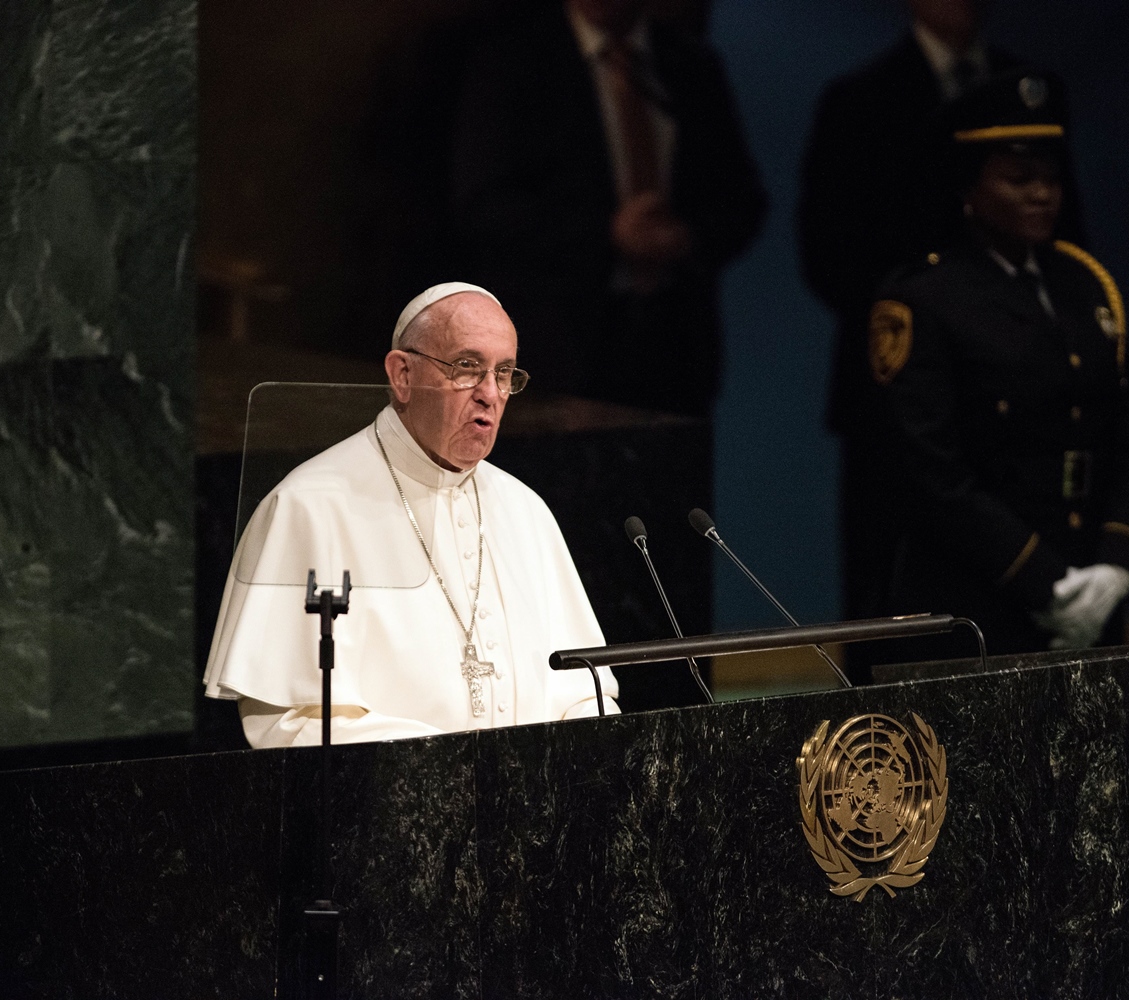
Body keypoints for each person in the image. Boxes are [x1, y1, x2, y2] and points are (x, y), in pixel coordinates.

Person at [204, 283, 619, 745]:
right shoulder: (308, 506)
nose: (489, 394)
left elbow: (588, 693)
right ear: (401, 375)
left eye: (503, 373)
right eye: (467, 367)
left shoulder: (525, 510)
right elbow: (288, 721)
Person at [797, 0, 1085, 630]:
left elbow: (1066, 248)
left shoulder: (1032, 86)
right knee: (895, 606)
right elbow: (830, 253)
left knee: (1035, 603)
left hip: (1025, 397)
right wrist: (944, 328)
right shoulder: (860, 99)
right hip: (896, 390)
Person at [866, 70, 1129, 656]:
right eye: (1019, 178)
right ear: (970, 190)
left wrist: (1115, 568)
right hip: (978, 603)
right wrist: (1046, 582)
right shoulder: (925, 298)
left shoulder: (1086, 285)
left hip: (1091, 595)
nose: (1042, 194)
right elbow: (935, 475)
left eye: (1051, 177)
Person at [450, 0, 766, 416]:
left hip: (675, 348)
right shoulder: (513, 59)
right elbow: (483, 204)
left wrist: (684, 237)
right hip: (553, 351)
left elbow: (742, 198)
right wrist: (609, 236)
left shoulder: (691, 63)